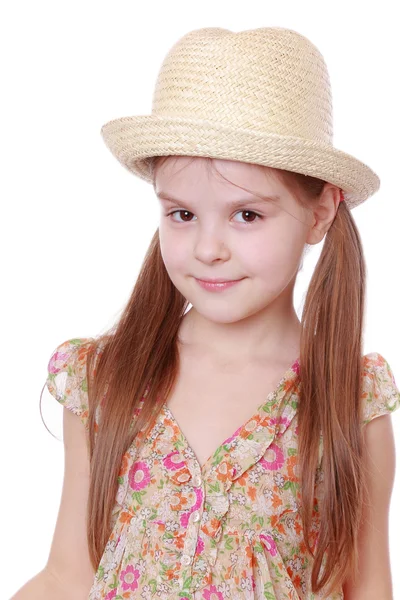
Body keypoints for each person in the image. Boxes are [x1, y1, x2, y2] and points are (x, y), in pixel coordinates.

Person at [11, 26, 400, 600]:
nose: (208, 248)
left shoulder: (348, 399)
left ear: (320, 212)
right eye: (183, 214)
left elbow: (364, 588)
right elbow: (68, 575)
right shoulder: (107, 378)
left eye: (247, 216)